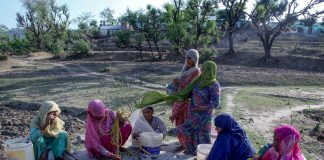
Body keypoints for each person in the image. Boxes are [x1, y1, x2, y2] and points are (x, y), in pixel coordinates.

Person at [138, 60, 221, 155]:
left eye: (204, 68)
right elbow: (188, 93)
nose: (201, 69)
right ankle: (191, 151)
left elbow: (216, 103)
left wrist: (203, 108)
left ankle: (204, 154)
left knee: (203, 135)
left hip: (204, 117)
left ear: (210, 70)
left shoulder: (214, 85)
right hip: (193, 114)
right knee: (189, 133)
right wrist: (178, 95)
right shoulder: (198, 82)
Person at [169, 49, 201, 151]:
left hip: (187, 101)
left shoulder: (196, 71)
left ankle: (187, 145)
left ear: (195, 59)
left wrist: (180, 82)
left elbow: (192, 86)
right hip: (179, 98)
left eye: (190, 58)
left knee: (185, 123)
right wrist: (177, 83)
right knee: (178, 122)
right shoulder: (185, 69)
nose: (187, 60)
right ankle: (182, 143)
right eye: (186, 57)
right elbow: (182, 85)